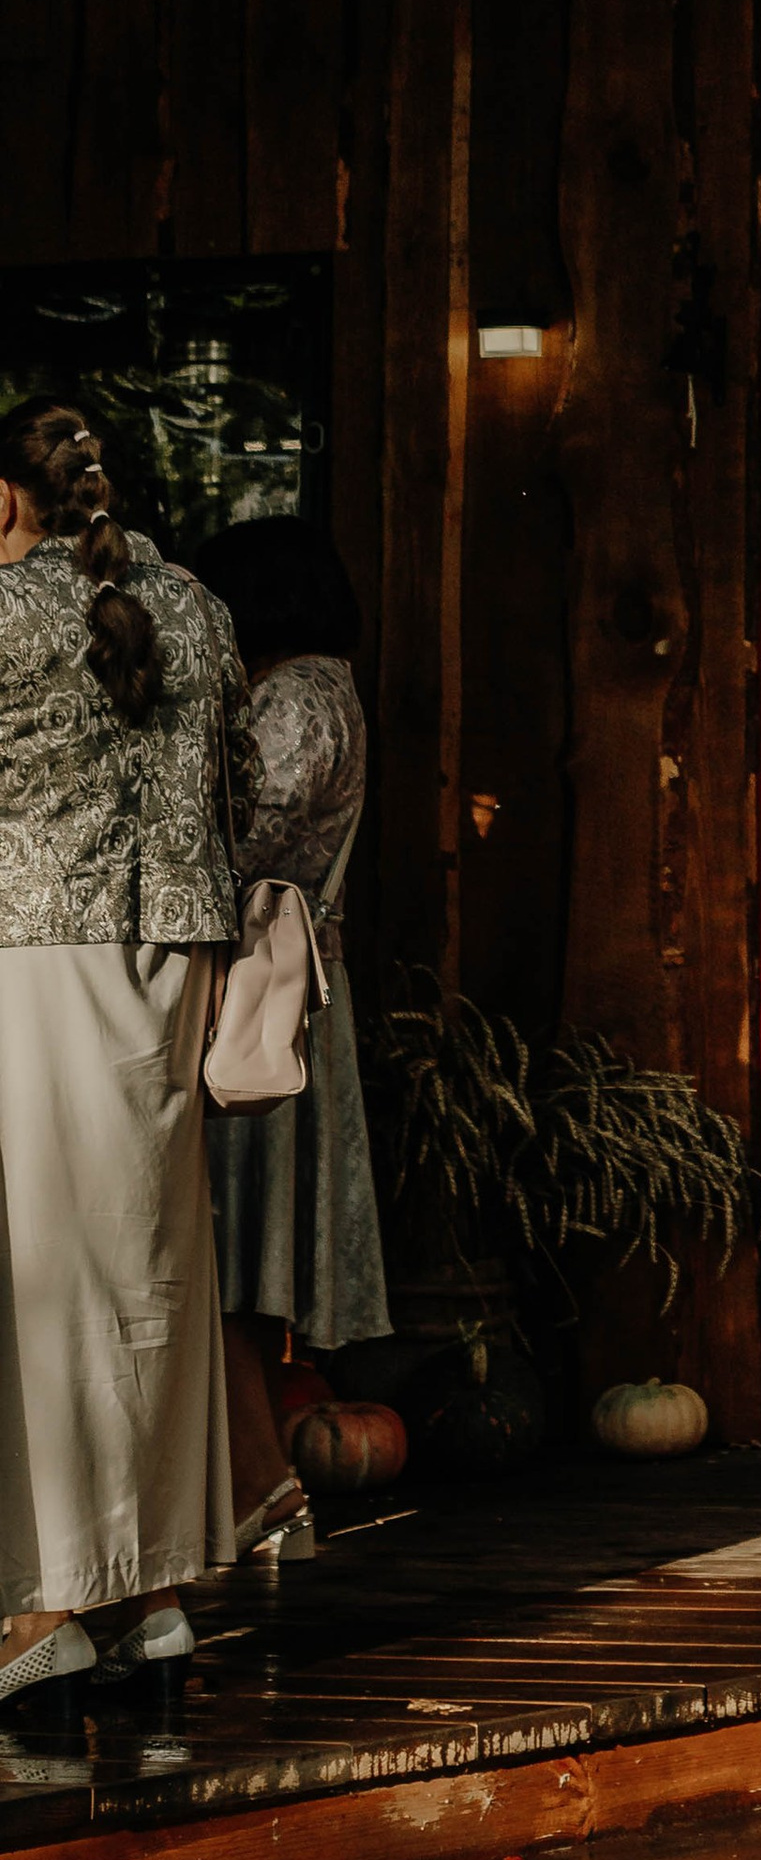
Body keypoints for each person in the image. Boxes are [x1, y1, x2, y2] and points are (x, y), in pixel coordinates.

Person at [0, 400, 250, 1717]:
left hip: (35, 946)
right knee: (149, 1262)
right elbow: (245, 783)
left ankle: (44, 1601)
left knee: (46, 1273)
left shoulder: (3, 616)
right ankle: (150, 1594)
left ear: (1, 503)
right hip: (176, 956)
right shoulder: (196, 602)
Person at [192, 516, 389, 1557]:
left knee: (220, 1253)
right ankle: (258, 1485)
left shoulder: (298, 698)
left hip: (257, 1001)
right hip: (279, 994)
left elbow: (234, 838)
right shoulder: (315, 689)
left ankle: (259, 1488)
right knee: (225, 1261)